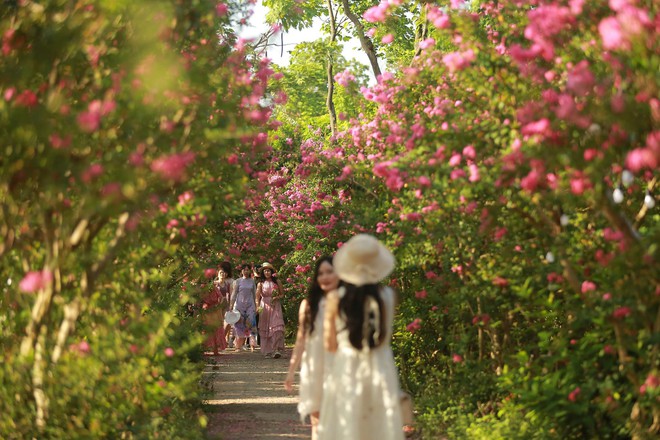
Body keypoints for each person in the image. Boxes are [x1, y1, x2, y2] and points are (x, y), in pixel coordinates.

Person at [317, 234, 404, 440]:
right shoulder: (389, 297)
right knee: (379, 426)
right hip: (381, 365)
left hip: (346, 365)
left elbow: (330, 344)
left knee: (346, 426)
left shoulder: (335, 299)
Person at [285, 256, 339, 440]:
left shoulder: (347, 303)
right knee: (316, 420)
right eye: (321, 273)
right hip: (314, 367)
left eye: (329, 272)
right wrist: (291, 371)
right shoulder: (308, 305)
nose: (325, 277)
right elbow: (301, 340)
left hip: (339, 367)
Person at [256, 262, 286, 358]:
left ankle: (276, 349)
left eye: (268, 270)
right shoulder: (260, 284)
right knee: (266, 328)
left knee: (277, 327)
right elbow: (257, 297)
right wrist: (257, 306)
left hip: (275, 305)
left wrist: (277, 297)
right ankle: (268, 351)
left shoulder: (277, 282)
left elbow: (282, 294)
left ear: (271, 271)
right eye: (265, 271)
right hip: (264, 306)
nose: (267, 272)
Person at [201, 262, 232, 355]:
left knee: (216, 329)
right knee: (209, 329)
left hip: (215, 309)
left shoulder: (214, 287)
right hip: (209, 310)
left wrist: (220, 302)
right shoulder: (205, 287)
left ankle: (215, 350)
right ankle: (207, 349)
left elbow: (221, 297)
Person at [229, 263, 257, 352]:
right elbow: (234, 294)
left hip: (250, 305)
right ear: (241, 271)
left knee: (251, 323)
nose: (246, 271)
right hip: (239, 305)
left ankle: (252, 344)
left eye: (247, 269)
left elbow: (254, 294)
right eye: (244, 269)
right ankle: (238, 346)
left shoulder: (252, 281)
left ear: (250, 271)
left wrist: (256, 306)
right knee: (239, 325)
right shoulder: (237, 281)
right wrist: (231, 305)